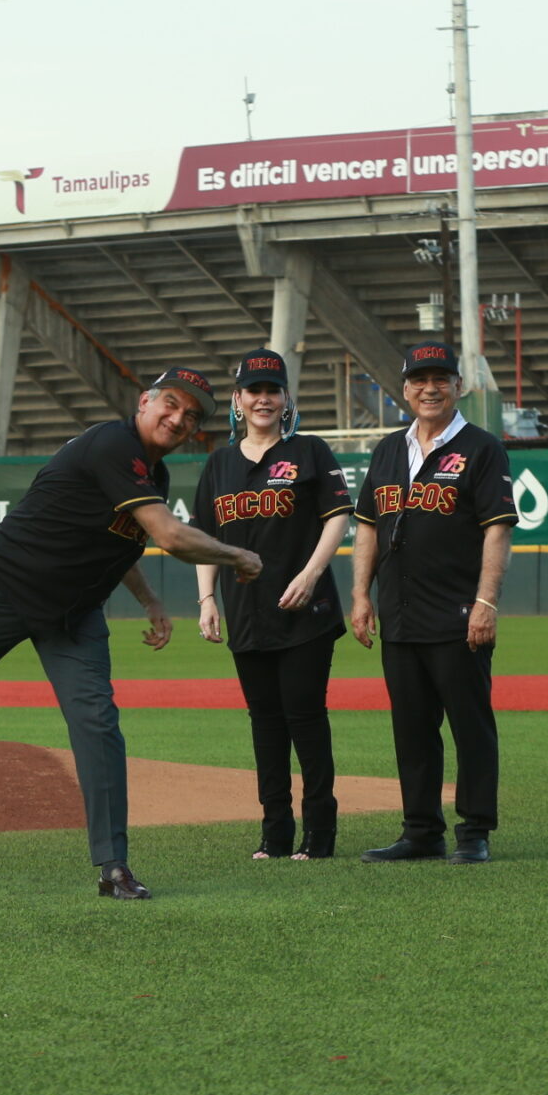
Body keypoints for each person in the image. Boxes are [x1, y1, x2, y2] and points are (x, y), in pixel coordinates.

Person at [0, 369, 263, 899]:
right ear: (144, 402)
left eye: (192, 416)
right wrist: (236, 554)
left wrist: (148, 600)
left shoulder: (154, 475)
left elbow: (121, 543)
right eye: (171, 404)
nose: (179, 419)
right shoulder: (111, 444)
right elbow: (169, 535)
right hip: (5, 586)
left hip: (73, 613)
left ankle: (113, 867)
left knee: (98, 723)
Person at [346, 341, 516, 865]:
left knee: (469, 725)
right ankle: (420, 830)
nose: (429, 388)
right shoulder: (388, 450)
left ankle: (474, 832)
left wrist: (486, 601)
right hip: (398, 613)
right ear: (405, 390)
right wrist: (359, 594)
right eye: (419, 380)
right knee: (412, 728)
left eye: (440, 378)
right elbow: (369, 527)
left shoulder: (482, 448)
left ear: (457, 387)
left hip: (457, 613)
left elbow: (497, 529)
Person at [192, 349, 353, 861]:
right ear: (237, 400)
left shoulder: (309, 451)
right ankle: (275, 834)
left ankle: (319, 835)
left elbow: (337, 518)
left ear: (286, 399)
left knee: (305, 719)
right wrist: (206, 599)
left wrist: (311, 573)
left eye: (272, 390)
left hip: (304, 610)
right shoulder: (219, 465)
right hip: (245, 612)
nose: (263, 399)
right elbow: (204, 537)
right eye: (253, 391)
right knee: (264, 723)